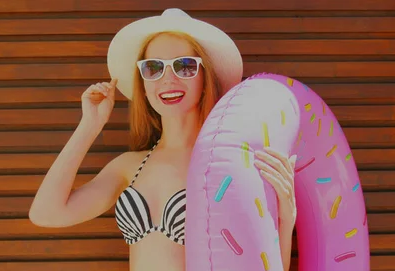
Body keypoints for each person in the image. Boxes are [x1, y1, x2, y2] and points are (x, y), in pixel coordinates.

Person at [29, 8, 298, 271]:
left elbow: (265, 264)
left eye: (184, 66)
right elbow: (46, 213)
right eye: (153, 68)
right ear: (143, 84)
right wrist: (90, 126)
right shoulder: (129, 167)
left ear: (205, 77)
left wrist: (286, 218)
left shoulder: (227, 166)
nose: (168, 79)